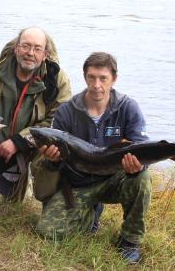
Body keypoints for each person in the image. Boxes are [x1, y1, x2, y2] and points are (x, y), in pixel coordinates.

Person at [36, 52, 151, 263]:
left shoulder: (128, 108)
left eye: (103, 78)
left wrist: (138, 167)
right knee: (48, 232)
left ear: (113, 79)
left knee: (142, 179)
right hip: (78, 184)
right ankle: (91, 213)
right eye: (91, 77)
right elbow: (58, 164)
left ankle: (129, 241)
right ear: (85, 77)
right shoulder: (66, 112)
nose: (96, 84)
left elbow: (143, 149)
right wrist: (52, 160)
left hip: (114, 180)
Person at [0, 27, 72, 201]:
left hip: (31, 146)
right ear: (16, 48)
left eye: (37, 48)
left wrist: (18, 141)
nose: (30, 53)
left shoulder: (58, 80)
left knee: (55, 151)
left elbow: (58, 124)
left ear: (45, 54)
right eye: (25, 46)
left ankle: (46, 195)